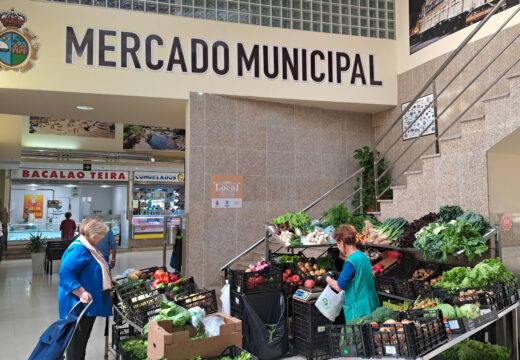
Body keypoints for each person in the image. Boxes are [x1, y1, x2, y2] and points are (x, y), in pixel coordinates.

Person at [58, 218, 114, 360]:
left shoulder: (90, 247)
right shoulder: (79, 248)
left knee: (82, 338)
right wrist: (81, 292)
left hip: (88, 304)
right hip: (78, 305)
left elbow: (92, 269)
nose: (102, 238)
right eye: (101, 235)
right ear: (93, 234)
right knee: (77, 341)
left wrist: (107, 279)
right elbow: (65, 274)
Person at [325, 225, 380, 323]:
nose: (338, 247)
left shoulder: (350, 261)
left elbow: (339, 287)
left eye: (337, 243)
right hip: (372, 303)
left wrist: (327, 278)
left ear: (342, 242)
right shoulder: (363, 256)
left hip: (359, 310)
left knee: (358, 337)